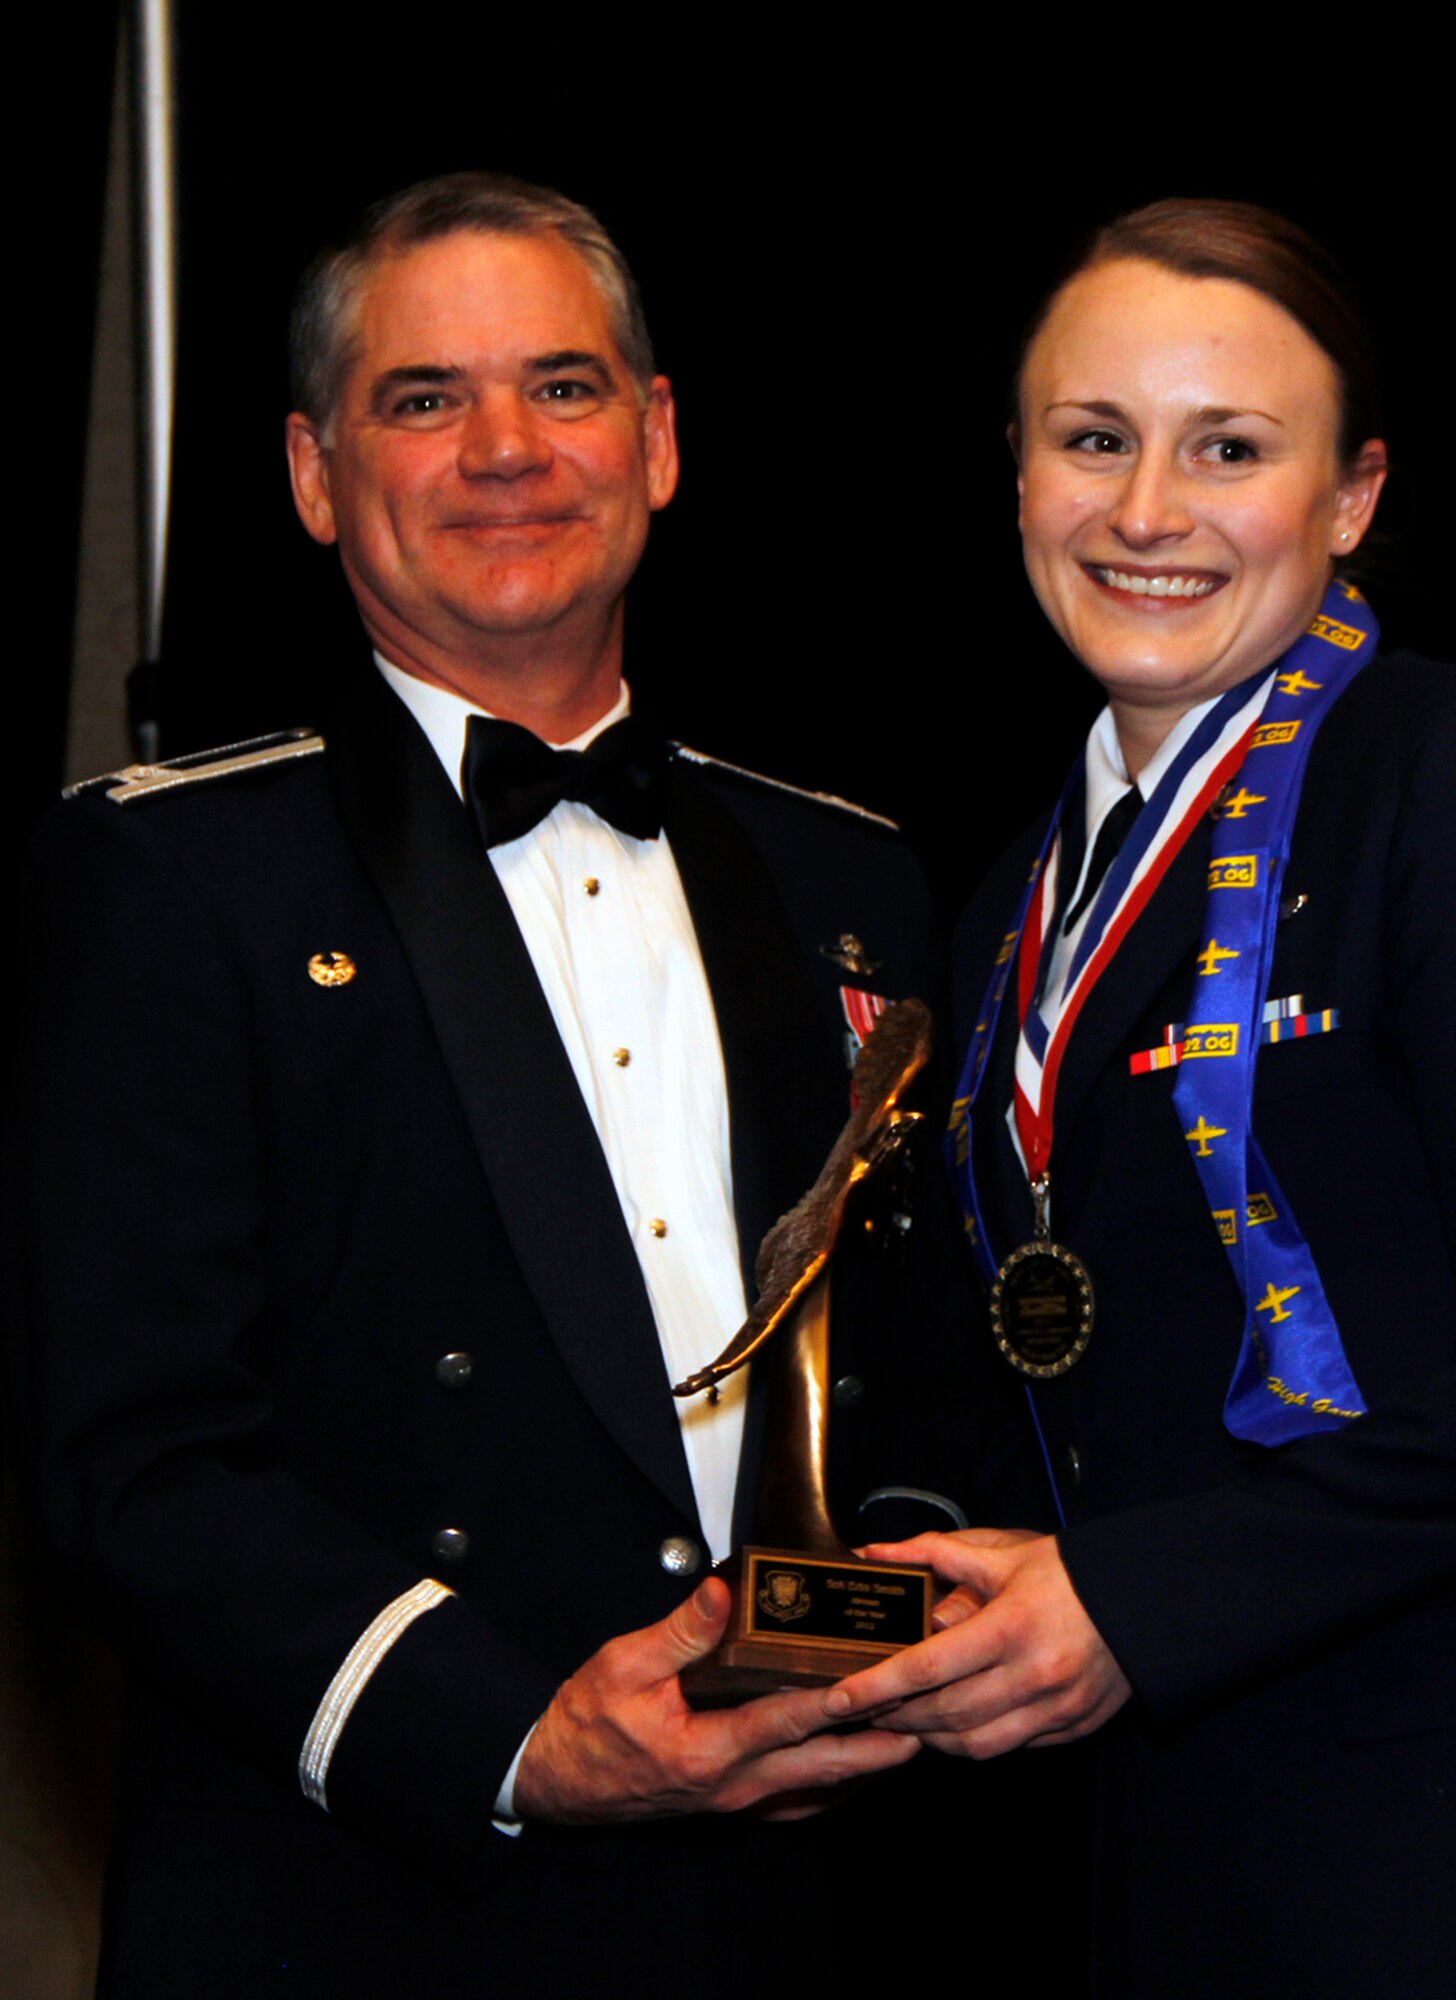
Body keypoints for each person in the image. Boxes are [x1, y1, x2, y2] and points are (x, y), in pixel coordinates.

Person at [14, 172, 972, 1995]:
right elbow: (130, 1467)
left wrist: (886, 1629)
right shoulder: (167, 879)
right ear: (314, 476)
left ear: (659, 438)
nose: (506, 450)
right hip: (365, 1892)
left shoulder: (850, 878)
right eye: (423, 398)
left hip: (798, 1887)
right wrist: (521, 1736)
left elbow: (919, 1371)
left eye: (563, 385)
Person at [821, 199, 1456, 1995]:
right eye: (1095, 440)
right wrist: (914, 1572)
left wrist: (1142, 1605)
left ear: (1353, 495)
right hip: (1169, 1851)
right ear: (1017, 476)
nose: (1146, 512)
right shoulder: (1016, 896)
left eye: (1227, 449)